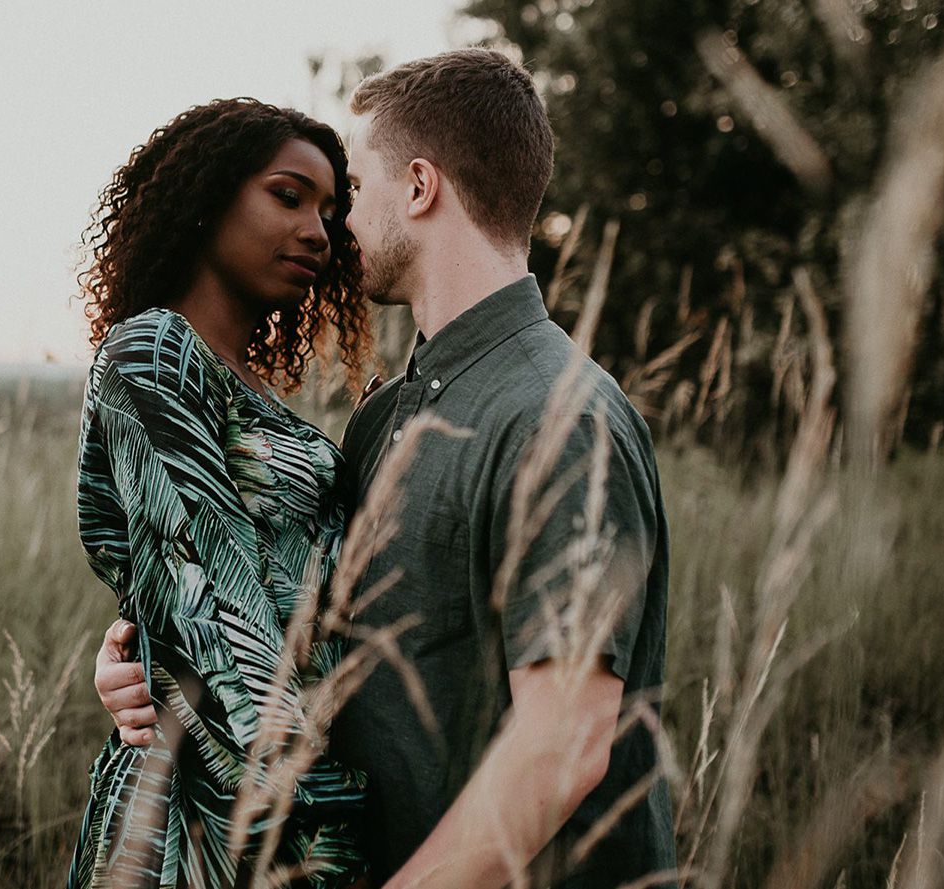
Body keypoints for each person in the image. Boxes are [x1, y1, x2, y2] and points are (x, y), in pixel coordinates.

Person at [93, 49, 676, 888]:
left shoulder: (564, 417)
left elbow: (564, 744)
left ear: (419, 187)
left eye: (355, 192)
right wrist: (143, 662)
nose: (337, 228)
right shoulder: (380, 417)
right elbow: (289, 628)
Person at [68, 97, 377, 889]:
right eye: (288, 194)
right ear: (208, 199)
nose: (318, 229)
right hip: (215, 815)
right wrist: (313, 825)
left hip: (275, 799)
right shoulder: (154, 351)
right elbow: (212, 612)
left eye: (331, 210)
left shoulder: (245, 383)